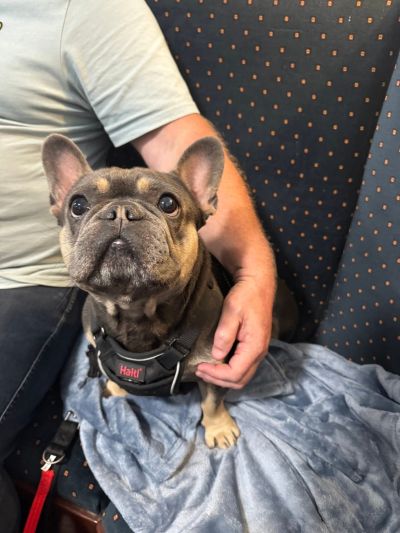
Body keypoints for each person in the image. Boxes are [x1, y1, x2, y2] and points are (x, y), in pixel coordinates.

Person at [0, 1, 276, 530]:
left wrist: (254, 274)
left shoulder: (82, 10)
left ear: (201, 201)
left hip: (20, 281)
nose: (120, 218)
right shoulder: (93, 316)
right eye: (83, 205)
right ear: (59, 200)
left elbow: (177, 136)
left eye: (166, 204)